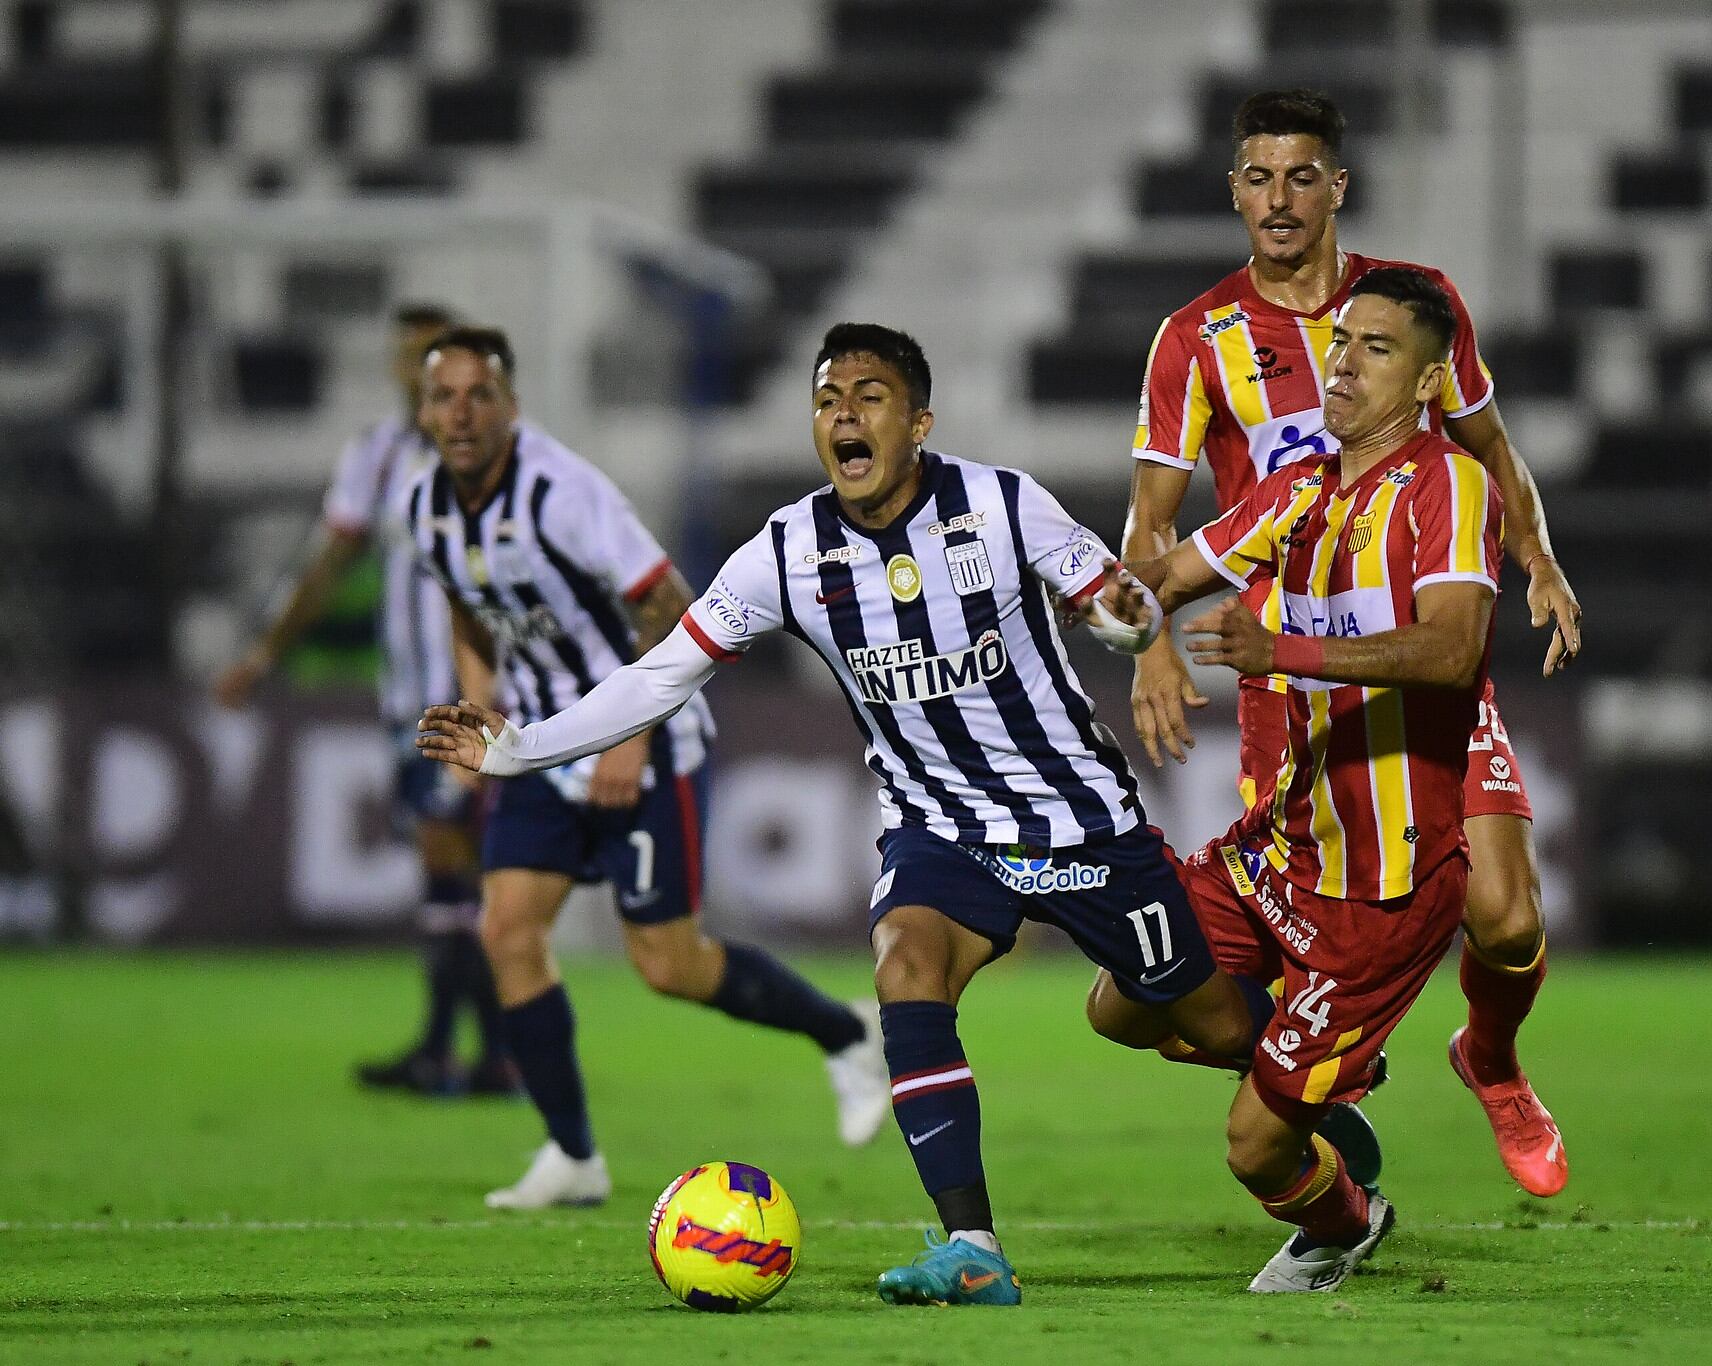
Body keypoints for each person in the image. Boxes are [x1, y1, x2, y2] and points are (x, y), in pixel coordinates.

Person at [418, 322, 1273, 1305]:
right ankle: (973, 1249)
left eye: (869, 397)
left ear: (919, 422)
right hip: (938, 826)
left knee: (1210, 1024)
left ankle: (1313, 1077)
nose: (844, 416)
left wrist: (1133, 627)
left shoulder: (1001, 504)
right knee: (905, 966)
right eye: (827, 400)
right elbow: (660, 675)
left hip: (1076, 819)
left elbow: (1121, 602)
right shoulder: (787, 551)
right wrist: (519, 746)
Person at [1122, 87, 1576, 1197]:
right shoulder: (1196, 339)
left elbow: (1488, 442)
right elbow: (1151, 525)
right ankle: (1313, 1070)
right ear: (1233, 190)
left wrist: (1538, 553)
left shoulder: (1414, 308)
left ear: (1337, 187)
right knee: (1292, 925)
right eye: (1257, 177)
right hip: (1288, 678)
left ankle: (1491, 1060)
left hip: (1414, 648)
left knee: (1506, 917)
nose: (1278, 200)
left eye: (1300, 177)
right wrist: (1150, 645)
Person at [403, 326, 890, 1208]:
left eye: (480, 395)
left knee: (668, 965)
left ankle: (846, 1033)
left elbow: (666, 601)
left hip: (644, 739)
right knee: (506, 931)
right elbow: (469, 608)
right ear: (424, 410)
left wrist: (628, 739)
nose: (462, 414)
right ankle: (572, 1154)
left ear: (512, 405)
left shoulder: (563, 494)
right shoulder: (426, 506)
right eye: (445, 397)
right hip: (539, 747)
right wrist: (480, 702)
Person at [1116, 267, 1503, 1292]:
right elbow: (1158, 577)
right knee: (1123, 1000)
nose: (1342, 365)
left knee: (1252, 1149)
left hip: (1382, 890)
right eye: (1340, 345)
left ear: (1429, 382)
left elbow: (1453, 649)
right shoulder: (1295, 490)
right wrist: (1053, 587)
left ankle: (1343, 1219)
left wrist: (1280, 651)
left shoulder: (1449, 488)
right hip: (1279, 850)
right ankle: (1325, 1064)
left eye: (1376, 349)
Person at [215, 301, 514, 1097]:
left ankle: (455, 1051)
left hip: (475, 697)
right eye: (409, 356)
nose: (420, 371)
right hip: (405, 698)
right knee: (453, 871)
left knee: (453, 860)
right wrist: (265, 652)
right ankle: (488, 1054)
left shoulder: (500, 454)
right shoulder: (377, 457)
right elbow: (332, 558)